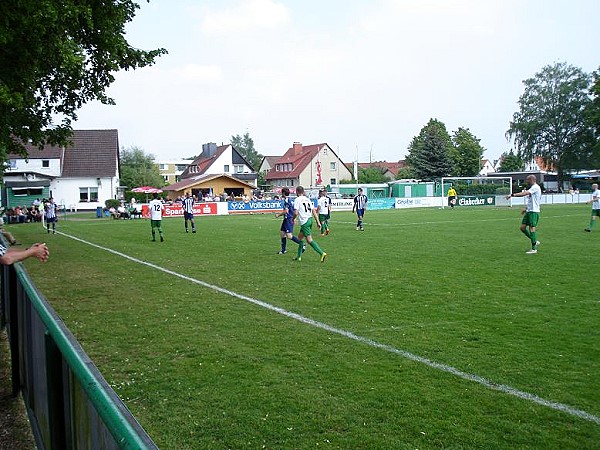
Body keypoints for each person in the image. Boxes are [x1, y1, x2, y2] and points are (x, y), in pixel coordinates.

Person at [505, 174, 542, 254]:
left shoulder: (535, 187)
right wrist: (526, 209)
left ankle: (534, 249)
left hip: (534, 211)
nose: (526, 181)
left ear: (531, 180)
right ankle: (534, 241)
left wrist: (512, 195)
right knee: (522, 228)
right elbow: (531, 200)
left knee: (532, 228)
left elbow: (524, 194)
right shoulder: (532, 188)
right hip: (529, 211)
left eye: (527, 180)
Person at [292, 186, 327, 262]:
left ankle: (322, 253)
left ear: (297, 192)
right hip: (309, 220)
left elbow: (295, 212)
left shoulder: (297, 200)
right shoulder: (307, 199)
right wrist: (317, 222)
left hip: (304, 221)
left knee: (309, 240)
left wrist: (293, 219)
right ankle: (298, 257)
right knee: (299, 239)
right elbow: (314, 211)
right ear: (303, 191)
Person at [274, 187, 304, 254]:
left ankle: (302, 244)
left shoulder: (287, 200)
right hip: (286, 219)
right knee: (282, 233)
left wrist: (278, 215)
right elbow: (293, 210)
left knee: (289, 236)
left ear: (284, 193)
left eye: (282, 193)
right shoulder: (288, 199)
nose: (281, 194)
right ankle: (283, 250)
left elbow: (286, 211)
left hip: (288, 219)